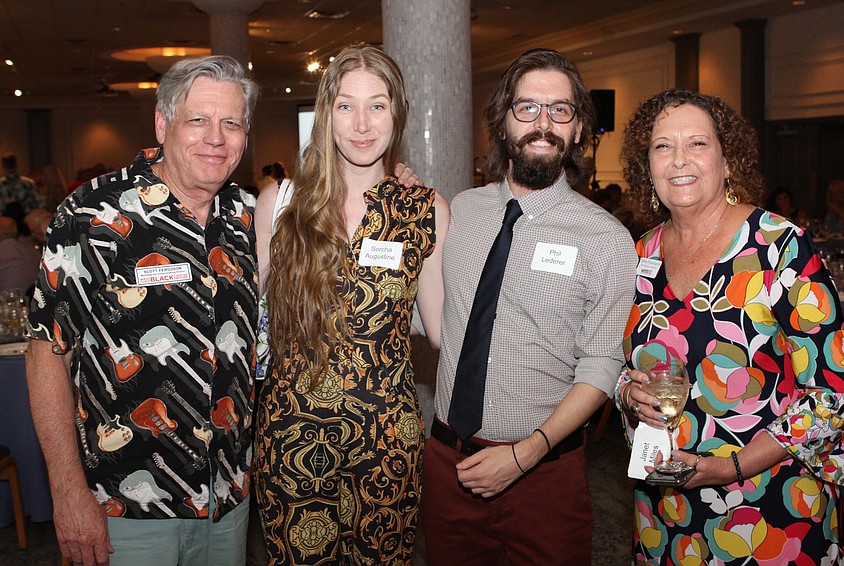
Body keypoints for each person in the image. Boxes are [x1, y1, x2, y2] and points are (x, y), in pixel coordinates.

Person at [26, 55, 259, 566]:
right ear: (162, 123)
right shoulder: (93, 215)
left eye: (231, 123)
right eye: (198, 120)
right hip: (125, 507)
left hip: (229, 499)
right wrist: (67, 493)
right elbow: (46, 354)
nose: (215, 138)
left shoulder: (248, 217)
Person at [617, 88, 844, 564]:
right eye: (662, 146)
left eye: (697, 143)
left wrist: (732, 467)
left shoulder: (780, 247)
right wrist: (628, 394)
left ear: (728, 161)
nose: (679, 159)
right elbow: (625, 364)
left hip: (771, 506)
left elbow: (834, 393)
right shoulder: (639, 254)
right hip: (665, 507)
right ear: (648, 167)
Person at [422, 47, 636, 565]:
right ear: (503, 122)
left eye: (560, 110)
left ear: (579, 128)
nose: (544, 123)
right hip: (448, 462)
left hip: (545, 475)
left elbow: (602, 363)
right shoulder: (463, 211)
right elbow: (434, 311)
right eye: (527, 108)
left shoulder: (606, 239)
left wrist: (526, 453)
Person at [253, 45, 448, 565]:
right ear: (326, 114)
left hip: (387, 437)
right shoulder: (282, 203)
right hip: (292, 434)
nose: (362, 124)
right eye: (346, 106)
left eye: (377, 105)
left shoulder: (424, 209)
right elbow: (244, 311)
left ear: (397, 112)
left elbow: (440, 331)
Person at [0, 216, 39, 293]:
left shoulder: (2, 253)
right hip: (36, 297)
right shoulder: (34, 251)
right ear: (15, 231)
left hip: (8, 298)